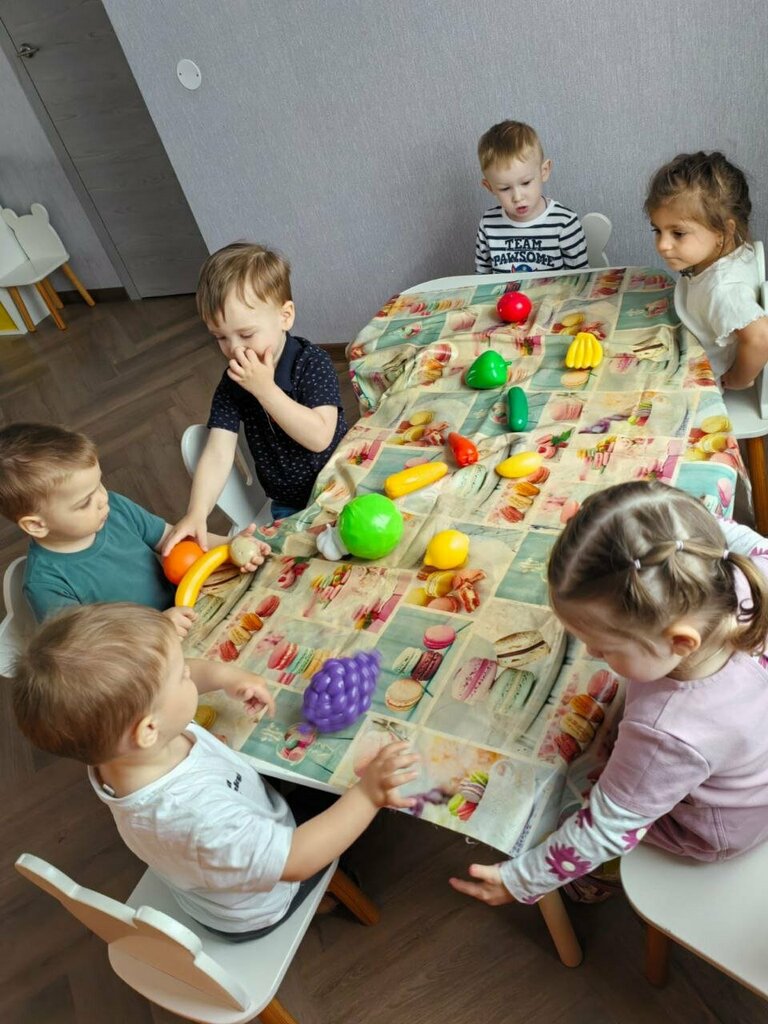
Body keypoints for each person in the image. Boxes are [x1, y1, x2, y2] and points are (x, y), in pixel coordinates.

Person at [11, 603, 418, 938]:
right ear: (149, 729)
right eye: (184, 677)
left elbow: (167, 682)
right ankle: (323, 898)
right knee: (341, 794)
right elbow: (297, 859)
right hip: (261, 903)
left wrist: (225, 676)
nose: (192, 671)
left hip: (221, 857)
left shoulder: (119, 750)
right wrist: (368, 794)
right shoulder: (195, 816)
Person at [449, 480, 768, 907]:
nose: (591, 653)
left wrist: (519, 880)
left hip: (715, 828)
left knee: (558, 805)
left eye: (604, 647)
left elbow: (606, 828)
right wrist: (616, 528)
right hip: (748, 768)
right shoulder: (745, 571)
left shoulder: (666, 732)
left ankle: (596, 883)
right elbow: (706, 534)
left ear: (680, 642)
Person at [0, 423, 268, 636]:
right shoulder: (46, 584)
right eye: (84, 502)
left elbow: (173, 539)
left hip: (189, 605)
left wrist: (230, 545)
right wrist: (157, 627)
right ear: (36, 525)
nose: (103, 499)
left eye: (99, 484)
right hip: (144, 652)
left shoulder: (114, 508)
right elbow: (88, 651)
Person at [164, 243, 347, 552]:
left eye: (246, 334)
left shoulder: (311, 363)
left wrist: (265, 390)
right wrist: (197, 512)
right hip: (289, 505)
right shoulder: (233, 383)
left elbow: (319, 438)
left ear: (285, 316)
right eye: (221, 337)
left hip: (341, 483)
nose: (235, 349)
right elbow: (218, 452)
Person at [645, 151, 768, 390]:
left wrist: (739, 379)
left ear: (724, 232)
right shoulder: (731, 249)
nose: (662, 245)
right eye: (657, 230)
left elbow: (761, 338)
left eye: (678, 233)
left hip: (700, 378)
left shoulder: (723, 290)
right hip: (691, 333)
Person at [474, 120, 588, 275]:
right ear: (489, 187)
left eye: (526, 182)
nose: (517, 197)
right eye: (505, 188)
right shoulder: (488, 224)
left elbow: (581, 279)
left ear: (544, 171)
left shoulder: (564, 223)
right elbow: (480, 278)